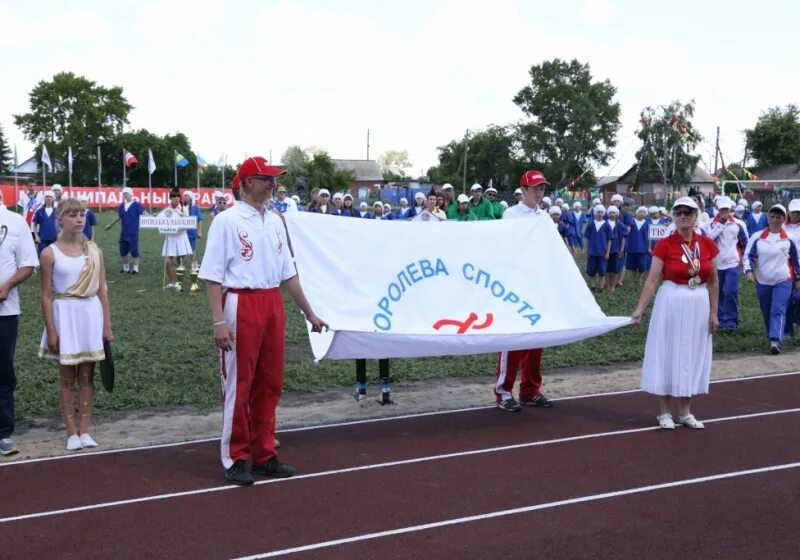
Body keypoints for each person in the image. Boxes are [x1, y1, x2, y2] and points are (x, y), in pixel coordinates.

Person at [199, 156, 328, 486]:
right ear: (245, 183)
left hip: (272, 303)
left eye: (273, 179)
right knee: (239, 383)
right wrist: (218, 322)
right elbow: (212, 276)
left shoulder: (275, 221)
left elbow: (289, 273)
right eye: (264, 178)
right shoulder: (226, 221)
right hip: (241, 303)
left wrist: (309, 313)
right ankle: (237, 456)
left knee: (270, 382)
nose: (272, 184)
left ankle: (264, 452)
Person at [631, 197, 719, 430]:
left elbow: (713, 280)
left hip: (698, 301)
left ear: (695, 216)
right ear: (673, 217)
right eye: (678, 213)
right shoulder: (665, 244)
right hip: (671, 300)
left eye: (688, 213)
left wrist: (714, 313)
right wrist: (639, 310)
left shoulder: (706, 244)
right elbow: (652, 280)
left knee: (691, 353)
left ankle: (686, 412)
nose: (683, 217)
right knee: (668, 352)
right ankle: (664, 412)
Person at [38, 198, 113, 450]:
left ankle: (85, 430)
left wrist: (107, 326)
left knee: (87, 376)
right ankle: (71, 432)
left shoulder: (94, 251)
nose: (79, 219)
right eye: (72, 215)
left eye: (82, 215)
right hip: (65, 315)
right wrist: (51, 329)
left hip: (90, 313)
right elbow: (46, 295)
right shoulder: (49, 253)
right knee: (67, 376)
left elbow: (102, 289)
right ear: (60, 218)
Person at [494, 170, 555, 412]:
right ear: (524, 190)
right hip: (515, 286)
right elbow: (505, 248)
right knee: (514, 338)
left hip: (537, 285)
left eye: (542, 188)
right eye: (535, 188)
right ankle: (503, 391)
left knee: (536, 340)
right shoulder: (511, 215)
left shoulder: (544, 217)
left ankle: (530, 390)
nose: (539, 193)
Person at [0, 191, 39, 456]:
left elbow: (28, 264)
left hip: (5, 311)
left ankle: (3, 433)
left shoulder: (15, 222)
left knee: (3, 372)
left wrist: (7, 285)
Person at [743, 204, 800, 354]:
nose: (775, 220)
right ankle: (772, 336)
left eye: (779, 217)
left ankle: (776, 340)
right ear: (768, 218)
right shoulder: (757, 237)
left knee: (778, 309)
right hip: (763, 280)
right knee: (767, 310)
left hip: (783, 280)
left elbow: (796, 261)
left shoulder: (789, 238)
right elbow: (748, 256)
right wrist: (748, 271)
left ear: (783, 219)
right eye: (773, 216)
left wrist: (798, 279)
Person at [702, 197, 749, 330]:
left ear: (730, 210)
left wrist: (745, 264)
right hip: (715, 264)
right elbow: (707, 241)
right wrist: (720, 225)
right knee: (717, 292)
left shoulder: (739, 224)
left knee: (730, 291)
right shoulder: (709, 224)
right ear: (717, 209)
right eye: (722, 209)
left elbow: (747, 244)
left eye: (726, 210)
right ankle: (718, 319)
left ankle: (730, 322)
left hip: (732, 263)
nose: (724, 212)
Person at [104, 187, 145, 274]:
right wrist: (110, 225)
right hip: (124, 233)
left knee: (134, 250)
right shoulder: (122, 206)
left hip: (133, 232)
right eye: (124, 193)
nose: (125, 195)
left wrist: (155, 219)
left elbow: (145, 213)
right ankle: (125, 268)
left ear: (131, 194)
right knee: (122, 251)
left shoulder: (137, 205)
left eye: (127, 193)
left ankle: (135, 268)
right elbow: (119, 216)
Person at [162, 189, 194, 291]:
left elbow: (187, 224)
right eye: (173, 197)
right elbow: (162, 222)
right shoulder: (167, 209)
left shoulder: (184, 209)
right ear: (170, 198)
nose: (176, 198)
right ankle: (172, 282)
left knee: (180, 262)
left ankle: (178, 283)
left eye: (177, 197)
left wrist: (180, 215)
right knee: (167, 261)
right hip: (170, 238)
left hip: (180, 237)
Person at [583, 204, 612, 293]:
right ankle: (592, 286)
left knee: (602, 271)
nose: (600, 214)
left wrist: (607, 252)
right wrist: (586, 251)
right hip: (592, 252)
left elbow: (609, 240)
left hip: (602, 252)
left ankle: (601, 287)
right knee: (591, 270)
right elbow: (587, 239)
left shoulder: (607, 225)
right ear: (595, 213)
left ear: (604, 213)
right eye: (598, 212)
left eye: (601, 212)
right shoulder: (591, 225)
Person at [625, 206, 651, 284]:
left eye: (643, 212)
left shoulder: (648, 223)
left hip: (643, 247)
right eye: (640, 211)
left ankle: (639, 278)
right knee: (632, 265)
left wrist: (649, 247)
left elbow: (649, 237)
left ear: (646, 214)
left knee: (642, 265)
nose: (642, 213)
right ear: (637, 213)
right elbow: (627, 232)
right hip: (632, 246)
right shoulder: (631, 222)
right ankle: (633, 279)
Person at [182, 191, 204, 270]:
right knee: (182, 248)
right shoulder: (181, 207)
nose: (185, 197)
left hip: (191, 231)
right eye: (185, 196)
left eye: (187, 196)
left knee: (192, 248)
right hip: (182, 231)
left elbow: (199, 220)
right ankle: (181, 264)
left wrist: (199, 231)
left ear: (191, 197)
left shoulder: (195, 207)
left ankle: (193, 264)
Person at [32, 191, 58, 255]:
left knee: (53, 257)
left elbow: (61, 225)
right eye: (47, 197)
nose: (48, 198)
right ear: (44, 198)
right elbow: (35, 225)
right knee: (42, 256)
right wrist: (36, 236)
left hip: (54, 239)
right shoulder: (39, 211)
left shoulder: (57, 211)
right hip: (42, 240)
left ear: (53, 199)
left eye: (50, 197)